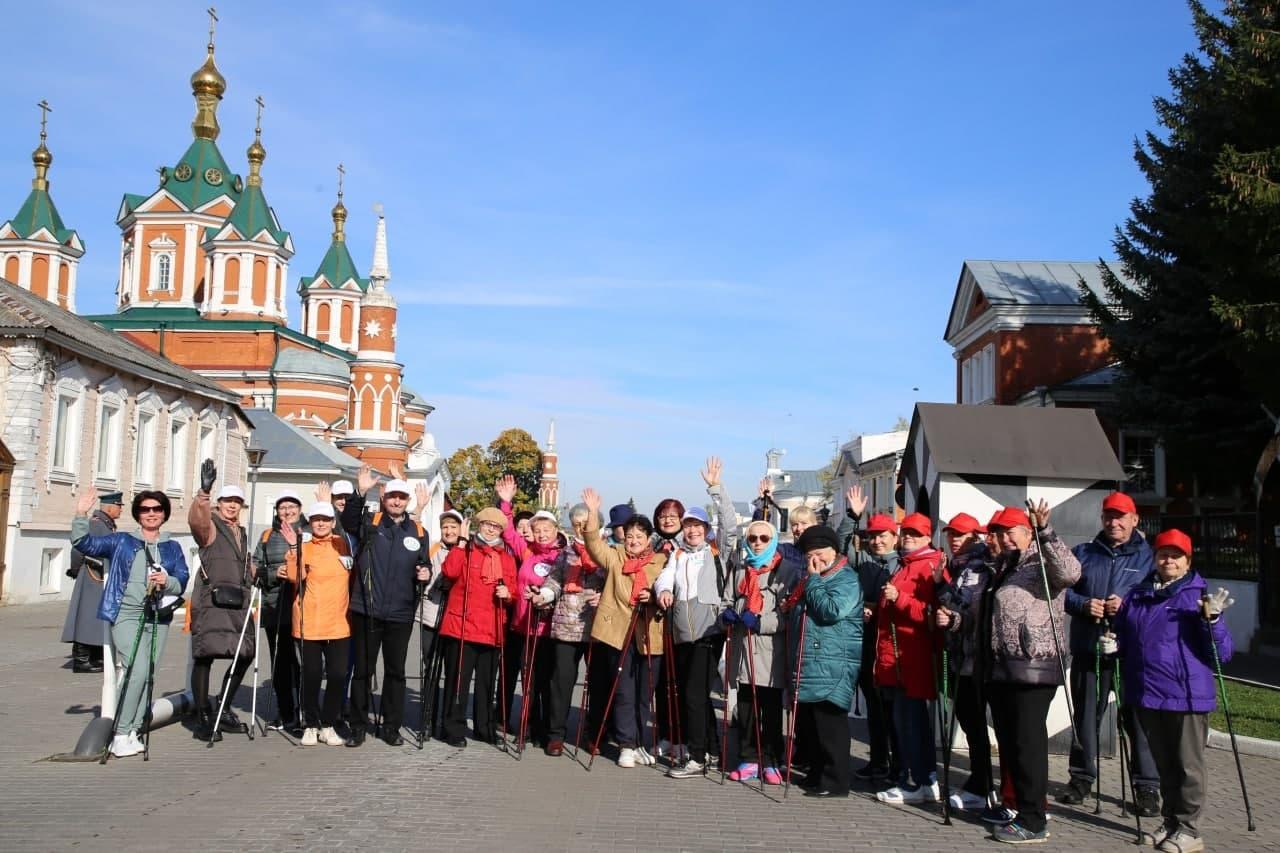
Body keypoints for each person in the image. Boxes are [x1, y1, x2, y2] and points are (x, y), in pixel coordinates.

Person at [1111, 529, 1234, 853]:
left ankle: (1190, 829)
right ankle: (1170, 822)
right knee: (1164, 765)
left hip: (1186, 695)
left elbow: (1222, 654)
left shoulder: (1198, 597)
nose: (1168, 560)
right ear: (1154, 558)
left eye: (1176, 555)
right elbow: (1125, 636)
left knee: (1187, 766)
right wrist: (1113, 644)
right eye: (1163, 553)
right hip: (1147, 692)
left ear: (1187, 561)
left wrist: (1214, 621)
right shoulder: (1138, 594)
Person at [982, 503, 1082, 844]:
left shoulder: (1040, 560)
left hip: (1033, 667)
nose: (1005, 538)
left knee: (1028, 744)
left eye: (1012, 531)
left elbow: (1070, 573)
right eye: (1000, 532)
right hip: (1003, 667)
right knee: (1012, 745)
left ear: (1027, 533)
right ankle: (1021, 807)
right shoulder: (1005, 566)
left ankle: (1034, 820)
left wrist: (1046, 531)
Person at [1060, 491, 1159, 815]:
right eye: (1108, 516)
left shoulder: (1149, 558)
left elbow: (1159, 598)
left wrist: (1128, 605)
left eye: (1120, 516)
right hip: (1090, 648)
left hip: (1133, 653)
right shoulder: (1084, 553)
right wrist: (1084, 605)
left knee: (1138, 721)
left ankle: (1146, 787)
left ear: (1134, 520)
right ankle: (1080, 779)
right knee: (1087, 718)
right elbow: (1064, 594)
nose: (1113, 522)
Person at [72, 487, 189, 758]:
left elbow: (182, 578)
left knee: (148, 673)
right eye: (145, 509)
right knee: (135, 669)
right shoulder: (121, 541)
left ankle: (135, 729)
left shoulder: (172, 546)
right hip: (126, 613)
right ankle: (121, 732)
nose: (151, 514)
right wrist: (80, 513)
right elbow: (84, 544)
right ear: (138, 514)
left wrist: (167, 581)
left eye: (156, 509)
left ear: (164, 514)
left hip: (158, 616)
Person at [655, 457, 739, 778]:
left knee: (692, 695)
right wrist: (663, 590)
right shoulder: (677, 555)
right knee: (698, 695)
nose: (692, 531)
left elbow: (730, 525)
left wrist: (716, 489)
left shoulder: (717, 552)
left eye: (698, 526)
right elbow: (665, 577)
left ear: (705, 530)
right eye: (688, 525)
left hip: (708, 631)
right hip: (682, 631)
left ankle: (697, 756)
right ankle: (714, 751)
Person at [340, 465, 433, 747]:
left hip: (401, 613)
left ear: (407, 502)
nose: (396, 501)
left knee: (396, 673)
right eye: (392, 496)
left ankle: (391, 727)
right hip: (367, 609)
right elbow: (347, 521)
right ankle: (357, 726)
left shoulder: (417, 530)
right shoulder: (371, 521)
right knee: (363, 672)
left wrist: (425, 572)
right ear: (385, 498)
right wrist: (360, 491)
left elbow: (423, 563)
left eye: (401, 498)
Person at [581, 487, 667, 768]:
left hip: (648, 632)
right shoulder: (616, 556)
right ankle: (626, 745)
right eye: (629, 536)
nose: (633, 541)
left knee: (645, 692)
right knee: (623, 690)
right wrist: (593, 513)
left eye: (639, 537)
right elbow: (593, 544)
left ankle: (642, 742)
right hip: (617, 631)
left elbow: (668, 588)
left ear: (648, 539)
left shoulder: (660, 561)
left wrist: (652, 597)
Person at [784, 524, 862, 798]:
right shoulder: (809, 578)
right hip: (810, 661)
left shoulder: (846, 578)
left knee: (830, 726)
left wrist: (814, 581)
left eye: (818, 554)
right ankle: (817, 774)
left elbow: (831, 611)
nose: (813, 561)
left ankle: (836, 781)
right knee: (813, 726)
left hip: (832, 662)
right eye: (808, 557)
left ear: (834, 551)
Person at [874, 512, 946, 805]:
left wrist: (898, 599)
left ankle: (917, 781)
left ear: (927, 537)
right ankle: (923, 779)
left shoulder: (929, 566)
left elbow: (930, 615)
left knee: (912, 723)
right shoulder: (906, 564)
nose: (908, 539)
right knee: (906, 721)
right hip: (897, 657)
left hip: (912, 656)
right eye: (906, 534)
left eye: (915, 535)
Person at [720, 518, 799, 784]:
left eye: (763, 538)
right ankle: (748, 758)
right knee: (746, 709)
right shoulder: (740, 569)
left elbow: (788, 615)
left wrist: (762, 622)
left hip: (770, 653)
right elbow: (726, 601)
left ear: (773, 541)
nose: (757, 543)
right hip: (743, 651)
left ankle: (772, 760)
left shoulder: (786, 571)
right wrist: (728, 614)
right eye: (752, 538)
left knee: (771, 711)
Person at [187, 462, 256, 742]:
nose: (232, 506)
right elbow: (197, 521)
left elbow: (243, 564)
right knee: (205, 655)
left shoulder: (240, 531)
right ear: (219, 503)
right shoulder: (211, 526)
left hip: (238, 602)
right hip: (211, 600)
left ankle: (223, 707)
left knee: (245, 653)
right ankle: (202, 715)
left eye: (237, 502)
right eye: (227, 501)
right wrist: (204, 492)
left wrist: (257, 573)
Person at [438, 506, 517, 747]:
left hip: (492, 628)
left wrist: (509, 594)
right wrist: (461, 542)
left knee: (486, 683)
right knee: (457, 681)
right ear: (479, 526)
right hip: (461, 626)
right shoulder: (466, 549)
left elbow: (513, 589)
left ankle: (485, 728)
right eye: (487, 525)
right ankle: (453, 728)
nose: (491, 530)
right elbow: (449, 571)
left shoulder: (506, 558)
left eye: (496, 527)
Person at [934, 512, 996, 811]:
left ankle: (983, 784)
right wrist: (939, 585)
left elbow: (973, 607)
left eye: (961, 535)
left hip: (978, 657)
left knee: (977, 724)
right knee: (970, 723)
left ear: (976, 536)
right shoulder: (957, 566)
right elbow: (953, 602)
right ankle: (979, 780)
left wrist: (950, 609)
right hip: (959, 654)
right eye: (951, 534)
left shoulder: (980, 566)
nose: (955, 539)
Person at [497, 475, 564, 747]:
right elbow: (509, 533)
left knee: (546, 683)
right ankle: (526, 726)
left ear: (556, 530)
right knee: (528, 683)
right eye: (538, 530)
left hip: (551, 630)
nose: (542, 534)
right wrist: (506, 503)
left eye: (547, 530)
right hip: (525, 627)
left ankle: (546, 730)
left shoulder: (562, 556)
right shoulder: (528, 553)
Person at [281, 501, 352, 747]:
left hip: (338, 623)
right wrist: (293, 549)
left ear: (333, 522)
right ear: (310, 523)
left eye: (325, 519)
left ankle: (329, 724)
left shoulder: (344, 546)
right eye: (316, 519)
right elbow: (293, 577)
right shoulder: (304, 546)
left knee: (337, 675)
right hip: (309, 622)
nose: (320, 523)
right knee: (310, 675)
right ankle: (310, 724)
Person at [539, 503, 606, 755]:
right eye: (576, 523)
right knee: (562, 682)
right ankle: (556, 735)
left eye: (585, 523)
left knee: (598, 684)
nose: (580, 527)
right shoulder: (565, 553)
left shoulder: (606, 551)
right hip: (567, 625)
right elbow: (554, 579)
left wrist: (605, 597)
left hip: (598, 627)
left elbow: (615, 582)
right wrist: (544, 594)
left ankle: (594, 734)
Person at [846, 509, 901, 783]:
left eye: (883, 535)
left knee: (892, 709)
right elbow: (846, 546)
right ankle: (879, 760)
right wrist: (854, 518)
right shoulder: (865, 563)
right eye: (873, 536)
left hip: (893, 648)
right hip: (868, 645)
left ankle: (898, 764)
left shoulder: (901, 565)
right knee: (874, 706)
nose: (878, 541)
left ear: (895, 536)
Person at [255, 490, 306, 734]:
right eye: (282, 507)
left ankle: (305, 711)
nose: (287, 511)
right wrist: (274, 574)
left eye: (292, 507)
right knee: (281, 662)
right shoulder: (267, 535)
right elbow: (255, 568)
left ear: (300, 509)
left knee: (304, 662)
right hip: (275, 605)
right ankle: (285, 712)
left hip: (304, 605)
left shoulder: (308, 532)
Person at [416, 506, 464, 738]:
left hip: (455, 621)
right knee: (431, 672)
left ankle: (447, 723)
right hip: (432, 617)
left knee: (453, 672)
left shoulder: (468, 550)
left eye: (453, 527)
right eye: (445, 527)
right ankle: (427, 720)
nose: (448, 531)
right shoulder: (433, 548)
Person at [62, 490, 122, 673]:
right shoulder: (96, 524)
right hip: (92, 576)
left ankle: (95, 657)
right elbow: (79, 548)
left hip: (101, 577)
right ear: (110, 508)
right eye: (119, 506)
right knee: (86, 618)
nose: (121, 510)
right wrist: (75, 569)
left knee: (96, 619)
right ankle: (81, 660)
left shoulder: (106, 524)